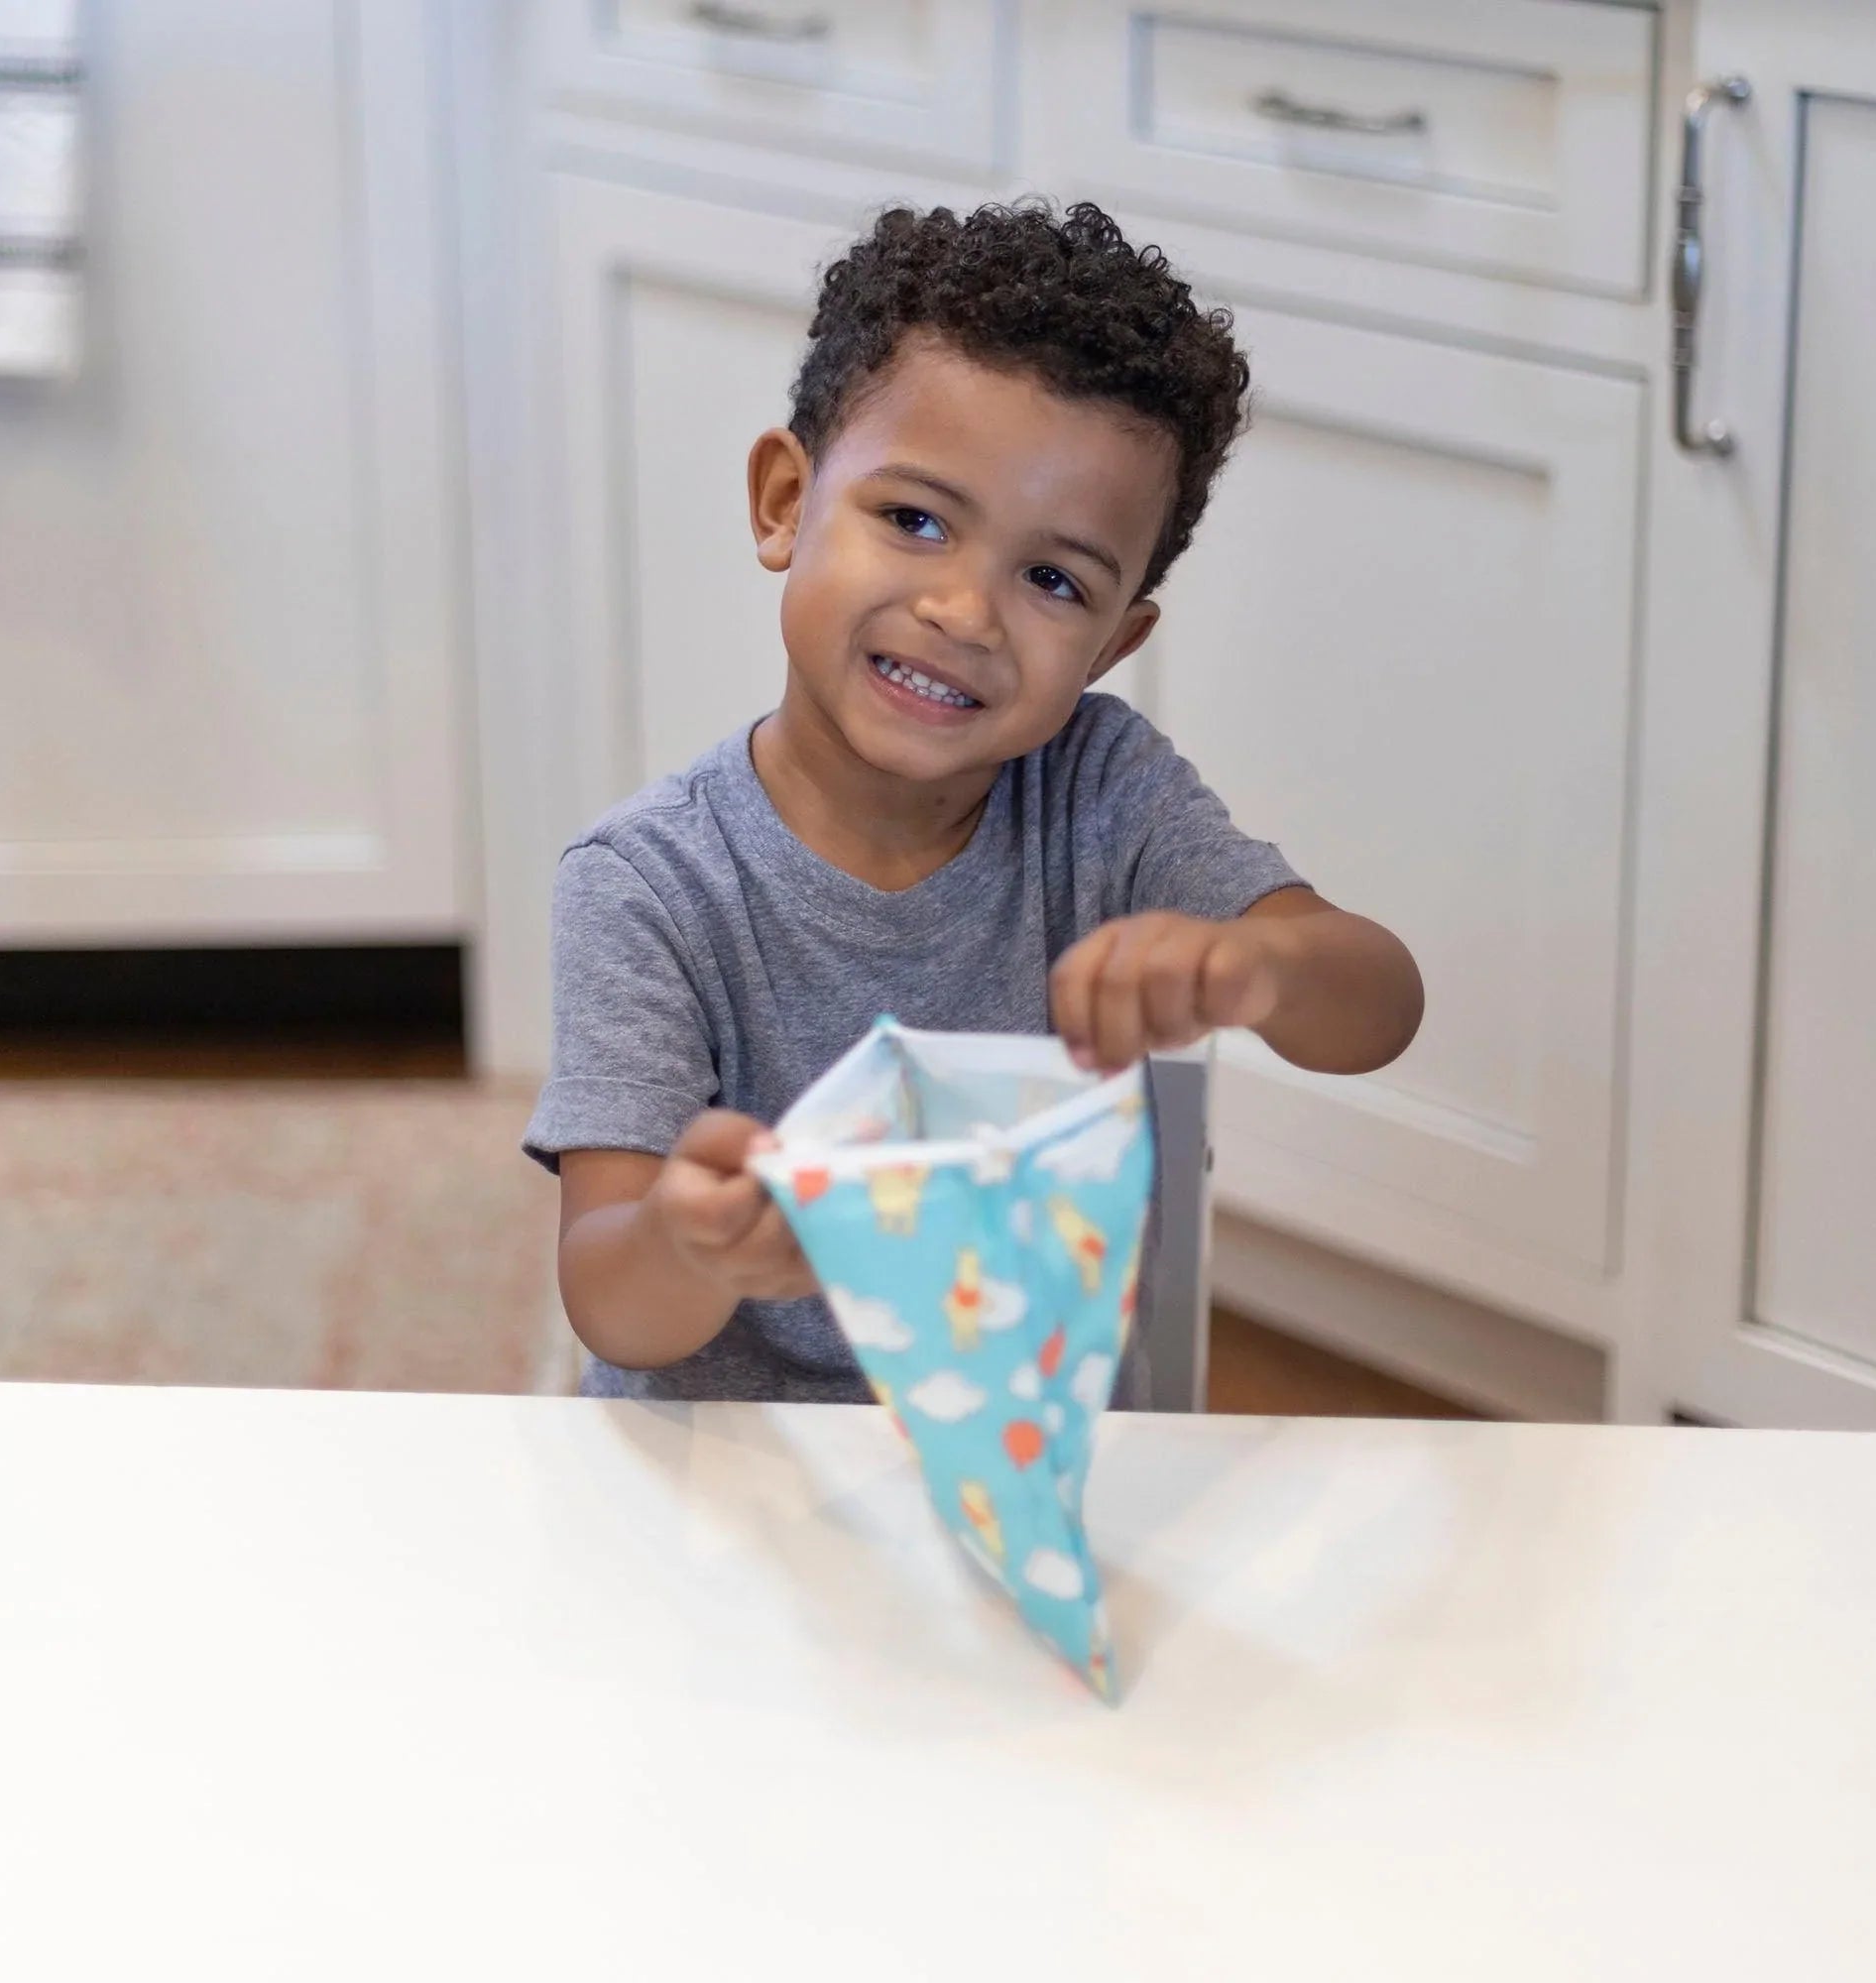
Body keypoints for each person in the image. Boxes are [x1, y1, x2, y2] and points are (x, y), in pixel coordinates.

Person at [522, 199, 1423, 1405]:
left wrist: (1255, 967)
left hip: (1031, 1464)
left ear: (1111, 644)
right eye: (914, 520)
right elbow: (611, 1304)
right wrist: (691, 1244)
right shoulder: (647, 883)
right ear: (784, 501)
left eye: (1051, 579)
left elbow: (1376, 1001)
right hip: (742, 1476)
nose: (964, 611)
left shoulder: (1102, 793)